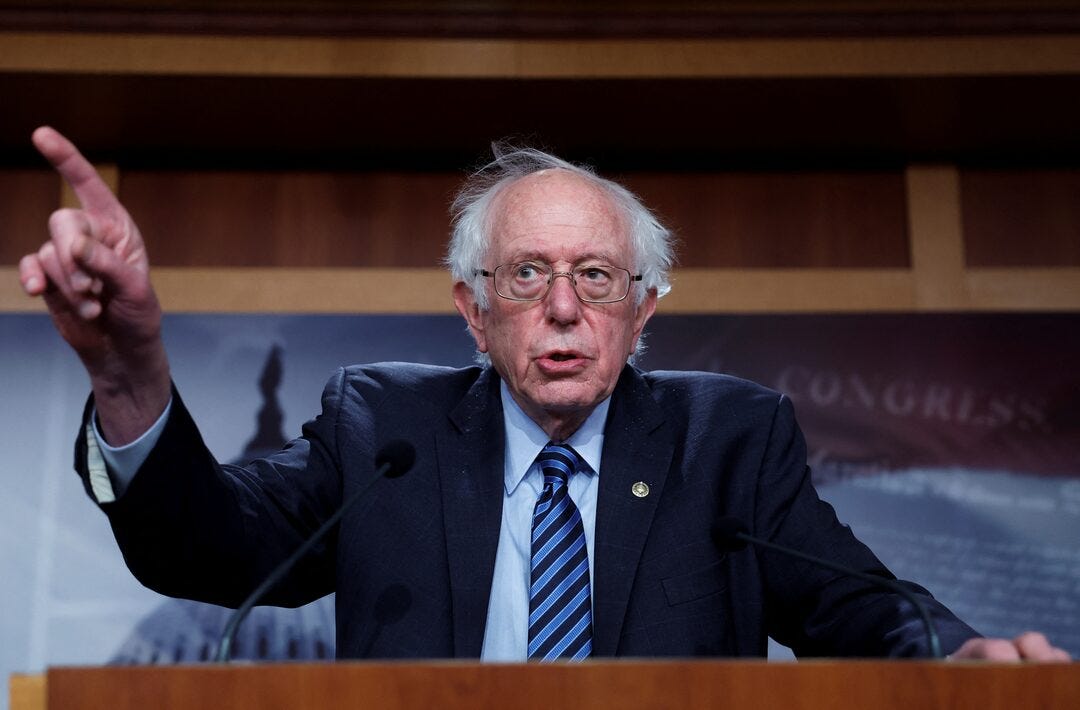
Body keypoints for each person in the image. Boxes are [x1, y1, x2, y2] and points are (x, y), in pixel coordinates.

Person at [20, 126, 1070, 662]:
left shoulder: (730, 439)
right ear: (475, 314)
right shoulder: (383, 427)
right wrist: (126, 370)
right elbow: (202, 545)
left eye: (596, 276)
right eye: (525, 275)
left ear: (643, 309)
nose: (562, 306)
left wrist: (958, 651)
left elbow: (859, 600)